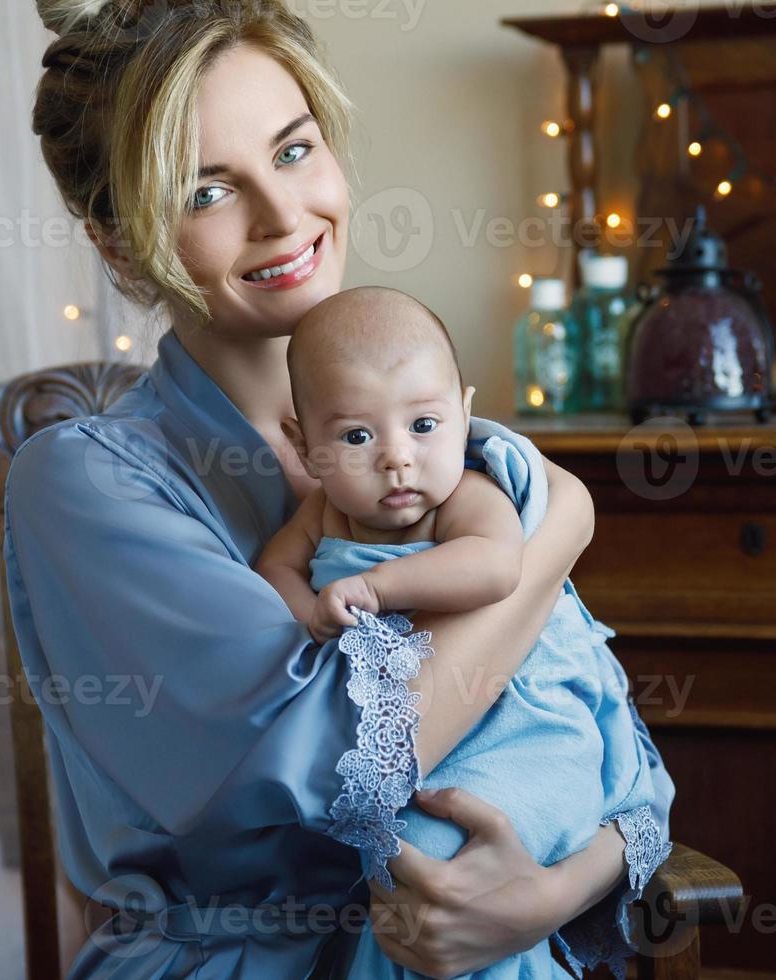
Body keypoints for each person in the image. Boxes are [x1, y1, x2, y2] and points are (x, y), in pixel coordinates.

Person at [6, 1, 666, 976]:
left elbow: (607, 742)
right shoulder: (82, 483)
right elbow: (332, 765)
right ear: (116, 243)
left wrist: (548, 894)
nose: (282, 217)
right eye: (204, 193)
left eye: (293, 149)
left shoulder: (433, 444)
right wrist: (558, 531)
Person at [254, 285, 673, 978]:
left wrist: (375, 588)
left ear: (465, 412)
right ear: (305, 446)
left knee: (432, 862)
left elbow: (494, 569)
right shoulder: (322, 512)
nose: (397, 458)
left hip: (522, 719)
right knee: (402, 871)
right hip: (428, 736)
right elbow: (275, 567)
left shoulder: (468, 496)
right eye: (356, 436)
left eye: (424, 425)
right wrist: (308, 610)